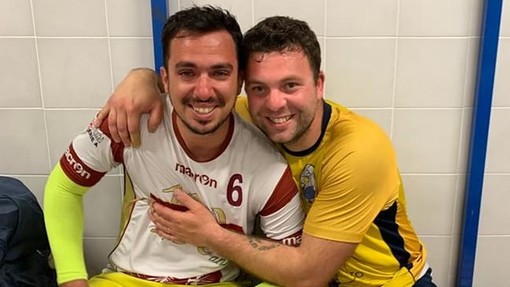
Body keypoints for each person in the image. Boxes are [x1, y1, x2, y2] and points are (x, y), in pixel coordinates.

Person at [96, 16, 437, 287]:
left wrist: (209, 234)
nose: (275, 104)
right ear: (244, 86)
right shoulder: (243, 114)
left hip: (386, 282)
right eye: (260, 88)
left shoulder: (358, 151)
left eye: (290, 85)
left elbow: (308, 276)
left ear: (318, 84)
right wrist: (140, 79)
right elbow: (196, 91)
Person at [44, 6, 304, 287]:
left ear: (239, 80)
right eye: (187, 73)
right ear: (165, 79)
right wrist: (71, 278)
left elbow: (287, 270)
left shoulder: (269, 167)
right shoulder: (130, 120)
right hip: (125, 280)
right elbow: (64, 187)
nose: (203, 91)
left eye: (219, 73)